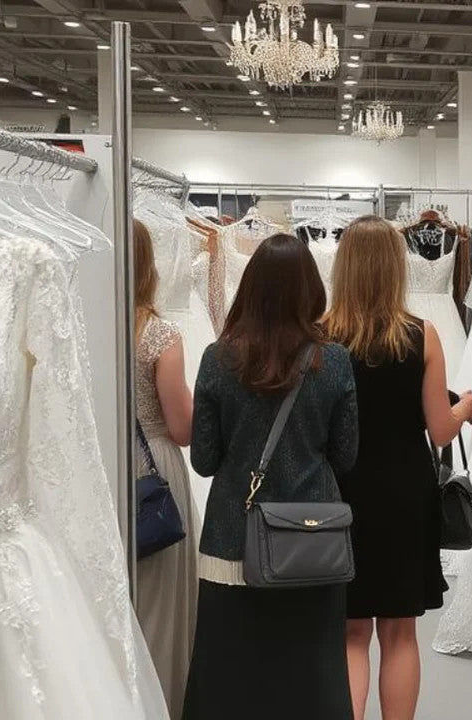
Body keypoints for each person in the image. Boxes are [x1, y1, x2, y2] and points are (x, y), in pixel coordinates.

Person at [183, 233, 359, 720]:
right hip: (311, 539)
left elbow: (203, 458)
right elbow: (346, 457)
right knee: (312, 672)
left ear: (249, 286)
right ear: (312, 290)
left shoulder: (218, 359)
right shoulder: (334, 360)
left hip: (231, 539)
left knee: (229, 671)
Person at [322, 215, 472, 720]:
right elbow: (440, 430)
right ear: (397, 268)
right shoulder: (422, 335)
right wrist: (465, 409)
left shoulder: (321, 339)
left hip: (339, 495)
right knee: (399, 632)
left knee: (351, 633)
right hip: (404, 495)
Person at [133, 219, 199, 719]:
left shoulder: (82, 320)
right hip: (153, 472)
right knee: (157, 609)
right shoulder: (158, 333)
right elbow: (182, 428)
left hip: (100, 469)